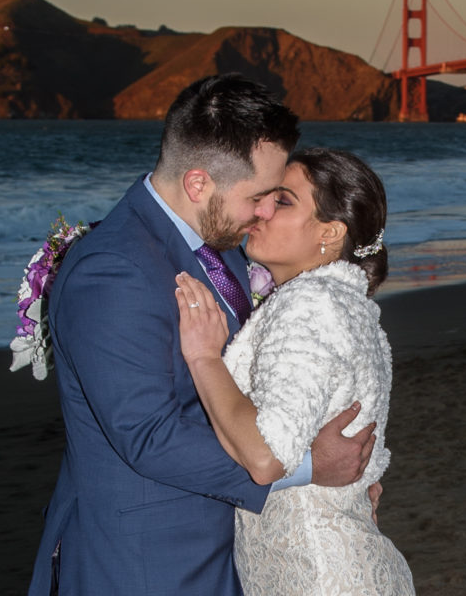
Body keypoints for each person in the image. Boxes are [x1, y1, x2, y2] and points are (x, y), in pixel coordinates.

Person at [28, 76, 378, 596]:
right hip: (145, 561)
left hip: (224, 546)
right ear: (198, 184)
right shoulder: (114, 270)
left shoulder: (226, 247)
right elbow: (149, 436)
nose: (264, 213)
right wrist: (307, 468)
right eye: (259, 197)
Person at [174, 147, 415, 595]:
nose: (261, 211)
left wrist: (204, 358)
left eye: (282, 201)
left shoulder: (310, 304)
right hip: (336, 561)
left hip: (317, 574)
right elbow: (369, 454)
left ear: (330, 232)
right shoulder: (349, 304)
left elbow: (267, 458)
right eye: (264, 197)